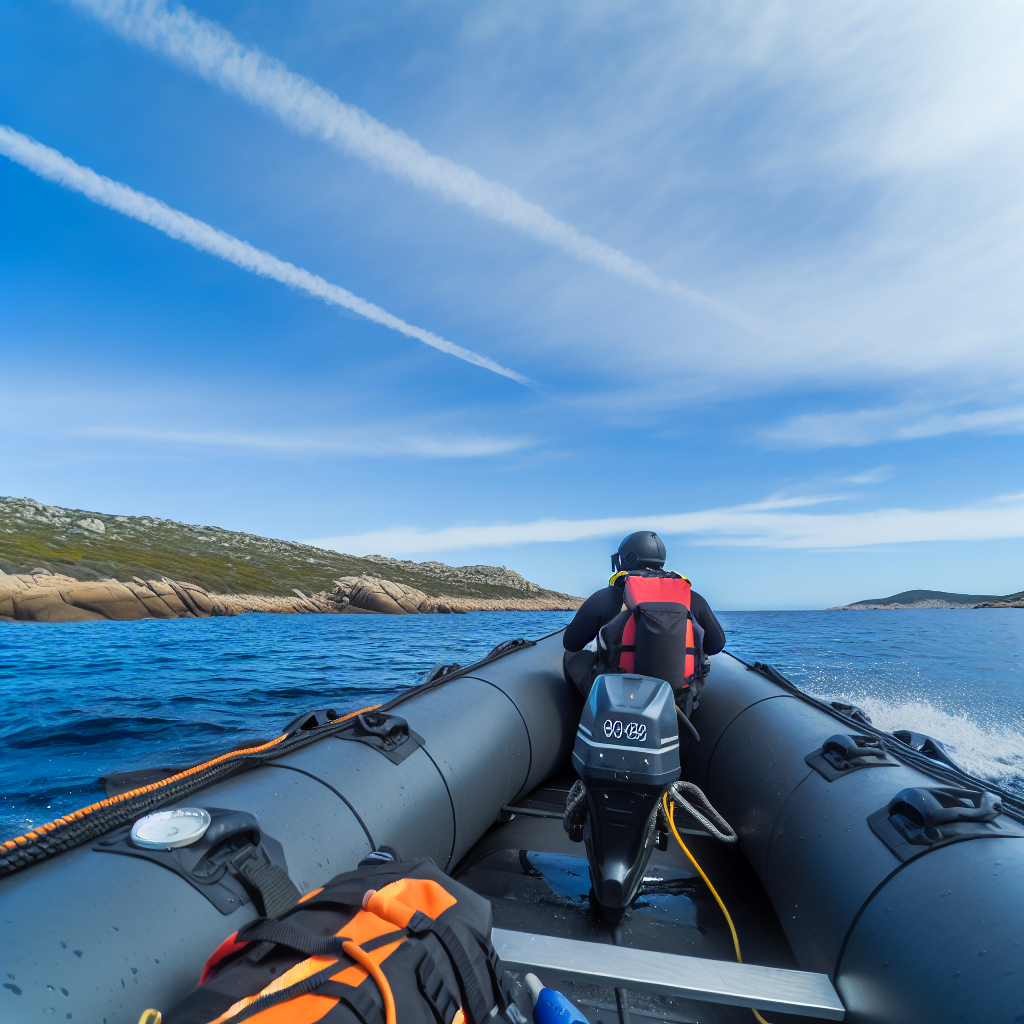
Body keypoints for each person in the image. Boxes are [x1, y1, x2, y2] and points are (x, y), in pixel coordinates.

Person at [563, 531, 725, 713]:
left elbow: (571, 643)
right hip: (677, 701)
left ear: (628, 558)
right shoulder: (691, 598)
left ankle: (578, 714)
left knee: (569, 656)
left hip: (618, 700)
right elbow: (716, 645)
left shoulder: (608, 597)